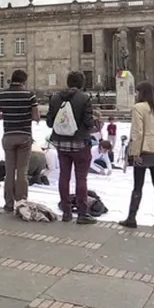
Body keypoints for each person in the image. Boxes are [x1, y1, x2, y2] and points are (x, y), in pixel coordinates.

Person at [45, 71, 97, 225]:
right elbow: (88, 122)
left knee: (64, 176)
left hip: (61, 143)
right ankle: (82, 213)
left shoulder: (55, 98)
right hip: (80, 143)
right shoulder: (84, 98)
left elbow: (49, 122)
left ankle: (66, 212)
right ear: (81, 83)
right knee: (81, 178)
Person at [119, 81, 154, 229]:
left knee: (138, 186)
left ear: (142, 93)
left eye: (137, 92)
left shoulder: (138, 108)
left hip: (143, 150)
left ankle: (131, 218)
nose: (135, 94)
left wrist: (135, 153)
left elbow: (137, 132)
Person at [0, 69, 38, 212]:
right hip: (24, 135)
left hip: (8, 136)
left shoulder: (1, 95)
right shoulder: (30, 95)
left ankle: (8, 203)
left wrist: (8, 114)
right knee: (22, 172)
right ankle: (21, 202)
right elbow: (35, 116)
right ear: (24, 81)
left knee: (10, 171)